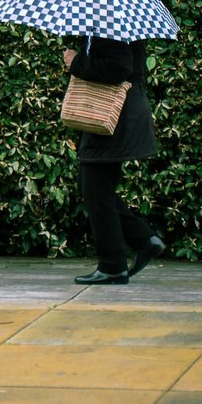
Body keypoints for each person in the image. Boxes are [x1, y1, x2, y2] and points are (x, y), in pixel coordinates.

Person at [63, 36, 165, 284]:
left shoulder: (109, 24)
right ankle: (143, 240)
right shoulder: (107, 23)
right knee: (95, 190)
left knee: (96, 190)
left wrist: (76, 62)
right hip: (113, 116)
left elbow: (119, 67)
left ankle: (113, 266)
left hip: (114, 117)